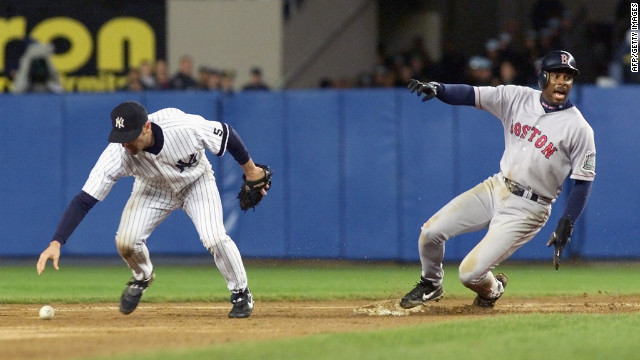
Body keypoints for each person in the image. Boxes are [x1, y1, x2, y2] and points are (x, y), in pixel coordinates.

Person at [36, 100, 271, 318]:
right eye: (120, 136)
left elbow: (226, 133)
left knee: (215, 238)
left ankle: (241, 292)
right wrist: (56, 242)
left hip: (196, 182)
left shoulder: (182, 127)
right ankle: (142, 276)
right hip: (152, 189)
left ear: (147, 126)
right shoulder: (118, 152)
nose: (125, 143)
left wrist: (251, 171)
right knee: (126, 242)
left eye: (129, 136)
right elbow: (84, 200)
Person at [400, 50, 596, 309]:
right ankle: (431, 283)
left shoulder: (579, 129)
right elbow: (472, 94)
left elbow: (583, 181)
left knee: (469, 274)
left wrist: (567, 222)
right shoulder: (516, 97)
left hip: (529, 208)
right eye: (557, 75)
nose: (562, 82)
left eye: (568, 77)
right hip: (497, 187)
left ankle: (493, 289)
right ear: (543, 77)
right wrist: (440, 88)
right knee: (430, 233)